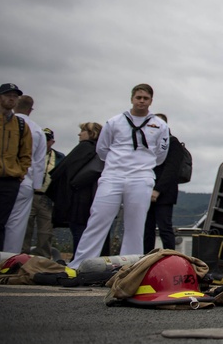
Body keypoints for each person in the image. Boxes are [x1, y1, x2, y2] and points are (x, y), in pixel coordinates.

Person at [68, 84, 170, 269]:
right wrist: (118, 165)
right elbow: (102, 149)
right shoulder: (115, 122)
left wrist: (140, 166)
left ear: (151, 101)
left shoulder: (160, 125)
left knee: (135, 225)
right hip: (114, 174)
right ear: (132, 98)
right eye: (138, 97)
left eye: (145, 98)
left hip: (141, 177)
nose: (141, 101)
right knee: (98, 219)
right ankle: (79, 265)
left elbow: (161, 155)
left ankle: (129, 267)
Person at [47, 122, 110, 255]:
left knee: (79, 232)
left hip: (78, 199)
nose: (79, 134)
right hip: (94, 198)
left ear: (92, 133)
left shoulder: (85, 147)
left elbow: (64, 170)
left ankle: (78, 261)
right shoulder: (102, 152)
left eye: (83, 131)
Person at [0, 83, 32, 252]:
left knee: (0, 224)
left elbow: (26, 152)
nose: (12, 99)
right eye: (8, 95)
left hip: (9, 180)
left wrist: (21, 172)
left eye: (15, 96)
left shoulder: (20, 125)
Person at [5, 95, 46, 252]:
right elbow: (38, 162)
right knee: (17, 225)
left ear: (15, 106)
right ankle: (9, 259)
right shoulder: (36, 130)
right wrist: (36, 186)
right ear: (31, 110)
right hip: (25, 181)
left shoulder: (4, 124)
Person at [142, 112, 182, 253]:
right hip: (148, 189)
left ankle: (170, 256)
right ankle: (146, 258)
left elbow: (172, 169)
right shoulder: (149, 144)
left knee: (164, 227)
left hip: (164, 193)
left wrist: (158, 189)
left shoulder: (173, 143)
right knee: (147, 229)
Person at [23, 128, 63, 257]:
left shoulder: (59, 157)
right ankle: (21, 255)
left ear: (52, 141)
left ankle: (43, 257)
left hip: (47, 197)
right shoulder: (29, 153)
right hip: (30, 195)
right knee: (25, 228)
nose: (44, 142)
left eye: (47, 140)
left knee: (45, 231)